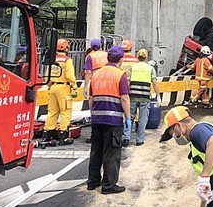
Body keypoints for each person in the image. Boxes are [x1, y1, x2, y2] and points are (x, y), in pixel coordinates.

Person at [87, 46, 131, 195]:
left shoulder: (96, 74)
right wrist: (128, 118)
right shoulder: (120, 75)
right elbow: (124, 98)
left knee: (96, 150)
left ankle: (92, 182)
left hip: (97, 118)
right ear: (120, 60)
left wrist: (93, 114)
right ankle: (109, 185)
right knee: (111, 152)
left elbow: (91, 97)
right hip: (113, 120)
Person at [43, 39, 78, 146]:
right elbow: (70, 75)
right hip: (64, 88)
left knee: (52, 112)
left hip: (53, 87)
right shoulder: (67, 60)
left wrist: (49, 86)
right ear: (66, 48)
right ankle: (63, 136)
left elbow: (47, 75)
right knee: (65, 112)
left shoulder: (52, 59)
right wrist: (74, 86)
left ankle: (47, 135)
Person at [125, 48, 160, 146]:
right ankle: (139, 140)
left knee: (129, 117)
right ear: (146, 57)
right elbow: (155, 83)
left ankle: (126, 138)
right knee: (143, 118)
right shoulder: (150, 68)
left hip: (132, 96)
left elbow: (127, 82)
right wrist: (158, 96)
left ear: (137, 57)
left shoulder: (132, 67)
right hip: (145, 97)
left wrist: (126, 94)